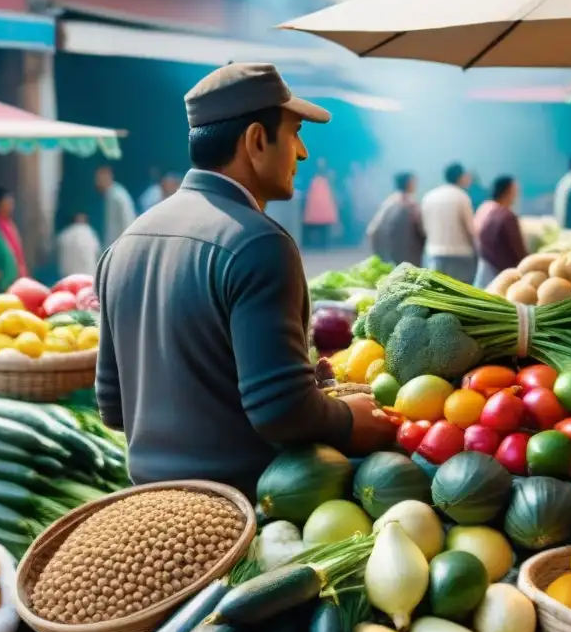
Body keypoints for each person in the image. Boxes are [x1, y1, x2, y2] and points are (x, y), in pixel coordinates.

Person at [95, 63, 397, 498]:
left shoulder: (125, 242)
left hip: (151, 507)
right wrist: (350, 419)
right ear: (257, 140)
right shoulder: (258, 243)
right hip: (241, 506)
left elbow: (114, 407)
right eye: (294, 134)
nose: (303, 153)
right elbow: (280, 411)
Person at [420, 163, 477, 283]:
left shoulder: (429, 196)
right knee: (460, 296)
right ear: (460, 177)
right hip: (460, 255)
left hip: (434, 254)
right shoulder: (462, 196)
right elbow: (470, 229)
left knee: (438, 295)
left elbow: (424, 227)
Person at [475, 175, 527, 288]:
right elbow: (517, 248)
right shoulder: (505, 215)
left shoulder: (486, 208)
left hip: (486, 266)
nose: (516, 196)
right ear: (508, 192)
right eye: (515, 191)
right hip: (498, 273)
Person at [366, 172, 425, 266]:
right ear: (408, 183)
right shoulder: (406, 203)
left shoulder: (391, 201)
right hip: (406, 249)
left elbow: (373, 229)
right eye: (413, 182)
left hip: (398, 250)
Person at [95, 166, 136, 248]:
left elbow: (127, 220)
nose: (97, 183)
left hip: (120, 246)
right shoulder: (111, 194)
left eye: (99, 179)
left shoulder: (116, 196)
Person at [303, 158, 339, 249]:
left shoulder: (328, 178)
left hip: (325, 207)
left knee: (326, 228)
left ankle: (326, 246)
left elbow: (332, 191)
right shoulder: (314, 179)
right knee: (316, 228)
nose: (321, 165)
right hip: (316, 208)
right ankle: (316, 246)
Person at [57, 212, 102, 278]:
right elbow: (97, 250)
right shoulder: (89, 232)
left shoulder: (66, 233)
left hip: (70, 272)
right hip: (87, 271)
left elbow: (59, 247)